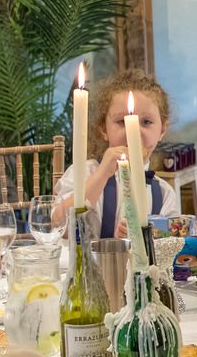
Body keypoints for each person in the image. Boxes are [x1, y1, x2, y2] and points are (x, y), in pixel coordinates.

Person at [53, 69, 178, 236]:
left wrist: (146, 236)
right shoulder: (84, 173)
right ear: (104, 129)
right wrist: (101, 175)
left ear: (162, 129)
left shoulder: (163, 193)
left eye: (146, 122)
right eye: (121, 121)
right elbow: (57, 226)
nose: (133, 130)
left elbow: (172, 244)